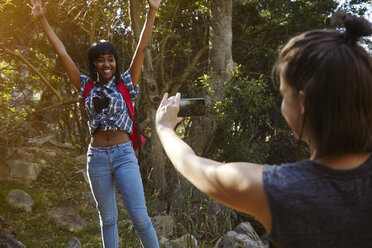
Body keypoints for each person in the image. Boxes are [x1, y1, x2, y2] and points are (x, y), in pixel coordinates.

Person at [155, 13, 372, 248]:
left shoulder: (282, 189)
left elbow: (192, 165)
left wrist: (164, 127)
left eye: (283, 94)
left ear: (302, 103)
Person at [28, 0, 160, 247]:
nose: (106, 64)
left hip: (123, 155)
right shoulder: (86, 85)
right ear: (94, 64)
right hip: (96, 157)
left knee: (141, 219)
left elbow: (141, 48)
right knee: (107, 219)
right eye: (101, 60)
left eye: (110, 59)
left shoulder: (126, 82)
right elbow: (62, 52)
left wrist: (152, 10)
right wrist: (42, 20)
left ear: (115, 61)